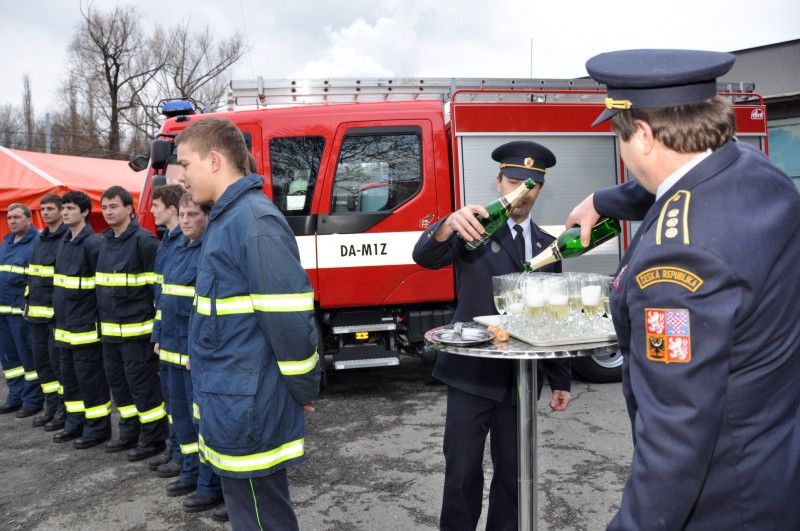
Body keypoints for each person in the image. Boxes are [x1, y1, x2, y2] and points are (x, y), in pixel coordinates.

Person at [564, 49, 800, 530]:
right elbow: (674, 181)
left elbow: (677, 434)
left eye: (621, 139)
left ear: (646, 136)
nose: (623, 154)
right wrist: (599, 199)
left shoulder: (678, 264)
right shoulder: (756, 172)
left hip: (726, 503)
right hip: (777, 466)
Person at [412, 141, 572, 530]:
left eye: (530, 185)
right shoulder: (473, 227)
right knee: (463, 473)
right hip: (470, 375)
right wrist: (448, 222)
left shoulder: (547, 245)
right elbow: (425, 257)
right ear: (498, 182)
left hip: (520, 381)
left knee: (515, 478)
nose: (522, 191)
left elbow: (554, 316)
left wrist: (560, 379)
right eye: (514, 181)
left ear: (540, 189)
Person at [175, 117, 320, 530]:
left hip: (248, 405)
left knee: (262, 518)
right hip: (231, 399)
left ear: (215, 160)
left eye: (187, 164)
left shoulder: (252, 222)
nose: (182, 177)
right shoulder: (227, 219)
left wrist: (303, 386)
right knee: (249, 514)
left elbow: (288, 321)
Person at [155, 192, 223, 512]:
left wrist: (200, 351)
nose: (184, 220)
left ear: (207, 217)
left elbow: (207, 311)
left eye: (192, 214)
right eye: (181, 214)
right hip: (170, 346)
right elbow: (163, 300)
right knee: (180, 416)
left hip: (193, 353)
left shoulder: (208, 253)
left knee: (202, 423)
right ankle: (190, 471)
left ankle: (210, 486)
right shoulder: (175, 249)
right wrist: (158, 335)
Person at [96, 186, 168, 461]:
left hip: (137, 333)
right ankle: (129, 432)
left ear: (129, 209)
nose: (108, 212)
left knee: (144, 387)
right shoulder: (103, 242)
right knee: (120, 386)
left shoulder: (144, 242)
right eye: (105, 207)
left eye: (114, 206)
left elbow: (157, 290)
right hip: (111, 333)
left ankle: (153, 439)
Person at [51, 191, 111, 448]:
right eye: (63, 208)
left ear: (85, 212)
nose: (64, 212)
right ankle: (74, 423)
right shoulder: (64, 242)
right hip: (64, 329)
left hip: (86, 330)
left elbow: (102, 289)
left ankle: (97, 428)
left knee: (91, 382)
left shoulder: (92, 244)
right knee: (70, 381)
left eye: (71, 208)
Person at [148, 184, 186, 478]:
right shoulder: (167, 242)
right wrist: (158, 333)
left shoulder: (182, 242)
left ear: (172, 209)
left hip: (182, 336)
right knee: (172, 399)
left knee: (182, 403)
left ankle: (183, 456)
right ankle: (175, 449)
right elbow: (162, 296)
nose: (151, 211)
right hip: (169, 333)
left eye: (156, 206)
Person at [25, 194, 69, 430]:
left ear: (61, 211)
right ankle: (50, 406)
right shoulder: (41, 239)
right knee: (42, 365)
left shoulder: (65, 239)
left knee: (58, 366)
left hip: (55, 316)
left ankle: (63, 409)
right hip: (36, 315)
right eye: (42, 209)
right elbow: (32, 276)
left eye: (50, 208)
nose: (45, 212)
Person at [0, 203, 43, 417]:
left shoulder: (36, 244)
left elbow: (34, 280)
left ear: (29, 219)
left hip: (21, 313)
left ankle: (32, 399)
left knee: (28, 359)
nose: (12, 221)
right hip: (3, 313)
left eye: (17, 217)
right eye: (9, 218)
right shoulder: (6, 243)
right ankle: (15, 396)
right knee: (10, 360)